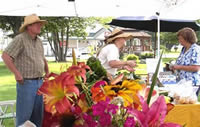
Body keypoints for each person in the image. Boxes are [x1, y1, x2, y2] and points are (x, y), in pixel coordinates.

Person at [1, 14, 49, 127]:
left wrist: (47, 70)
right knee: (24, 118)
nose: (40, 26)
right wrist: (17, 74)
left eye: (39, 24)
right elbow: (5, 56)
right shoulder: (20, 39)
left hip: (39, 82)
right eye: (37, 24)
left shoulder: (39, 41)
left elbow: (42, 57)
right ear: (29, 26)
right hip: (26, 83)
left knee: (38, 116)